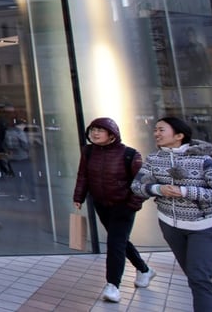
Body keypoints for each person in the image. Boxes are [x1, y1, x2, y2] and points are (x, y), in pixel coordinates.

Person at [132, 116, 212, 312]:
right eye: (155, 130)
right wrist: (158, 189)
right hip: (170, 226)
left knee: (199, 278)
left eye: (161, 130)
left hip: (203, 228)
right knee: (194, 277)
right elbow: (136, 186)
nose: (156, 133)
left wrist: (186, 192)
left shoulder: (203, 160)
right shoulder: (153, 159)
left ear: (179, 135)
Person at [73, 117, 151, 303]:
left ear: (112, 134)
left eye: (100, 130)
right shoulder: (89, 152)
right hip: (101, 203)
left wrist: (133, 205)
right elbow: (83, 175)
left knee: (115, 243)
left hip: (123, 206)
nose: (95, 133)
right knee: (120, 241)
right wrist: (78, 197)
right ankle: (144, 269)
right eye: (92, 130)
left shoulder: (130, 154)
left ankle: (112, 285)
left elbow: (142, 183)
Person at [4, 121, 36, 202]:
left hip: (12, 158)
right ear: (20, 125)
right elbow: (25, 146)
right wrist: (30, 145)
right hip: (23, 157)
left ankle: (20, 195)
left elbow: (4, 144)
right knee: (28, 177)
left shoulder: (8, 132)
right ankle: (33, 196)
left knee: (18, 178)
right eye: (23, 125)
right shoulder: (20, 133)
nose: (24, 126)